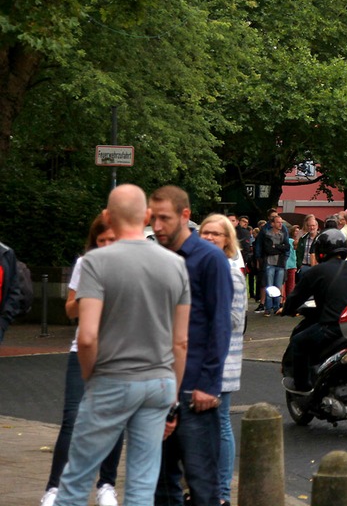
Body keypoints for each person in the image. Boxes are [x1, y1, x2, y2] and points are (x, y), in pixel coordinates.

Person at [53, 185, 189, 506]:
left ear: (108, 218)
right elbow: (181, 340)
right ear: (146, 216)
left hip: (112, 378)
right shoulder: (176, 265)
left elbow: (86, 336)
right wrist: (173, 395)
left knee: (75, 481)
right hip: (159, 382)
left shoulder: (95, 262)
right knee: (142, 483)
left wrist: (91, 377)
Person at [151, 185, 233, 506]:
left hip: (195, 389)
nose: (157, 227)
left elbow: (220, 324)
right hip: (157, 388)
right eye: (153, 218)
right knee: (160, 482)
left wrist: (209, 385)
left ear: (185, 216)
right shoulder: (156, 257)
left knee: (201, 482)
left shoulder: (209, 259)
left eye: (165, 219)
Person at [41, 215, 125, 506]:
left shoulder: (133, 268)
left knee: (114, 421)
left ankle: (106, 486)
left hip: (119, 354)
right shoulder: (84, 265)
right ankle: (54, 488)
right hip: (83, 351)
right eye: (101, 242)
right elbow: (69, 310)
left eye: (112, 241)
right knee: (73, 419)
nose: (106, 246)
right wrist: (90, 296)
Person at [281, 229, 347, 391]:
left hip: (333, 327)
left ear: (321, 251)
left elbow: (296, 297)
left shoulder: (317, 271)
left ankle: (302, 386)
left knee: (299, 342)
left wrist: (286, 309)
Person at [198, 214, 245, 506]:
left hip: (222, 359)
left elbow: (235, 319)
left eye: (216, 234)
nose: (210, 238)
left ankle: (223, 494)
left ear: (228, 239)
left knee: (220, 423)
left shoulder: (229, 272)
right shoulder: (201, 267)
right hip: (198, 358)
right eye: (205, 233)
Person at [257, 214, 289, 315]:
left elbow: (287, 247)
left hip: (280, 264)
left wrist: (276, 246)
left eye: (281, 222)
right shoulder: (267, 235)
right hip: (270, 263)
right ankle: (268, 307)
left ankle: (276, 307)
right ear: (272, 224)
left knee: (278, 286)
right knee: (269, 286)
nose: (280, 224)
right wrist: (280, 248)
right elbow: (268, 249)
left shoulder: (283, 235)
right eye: (278, 222)